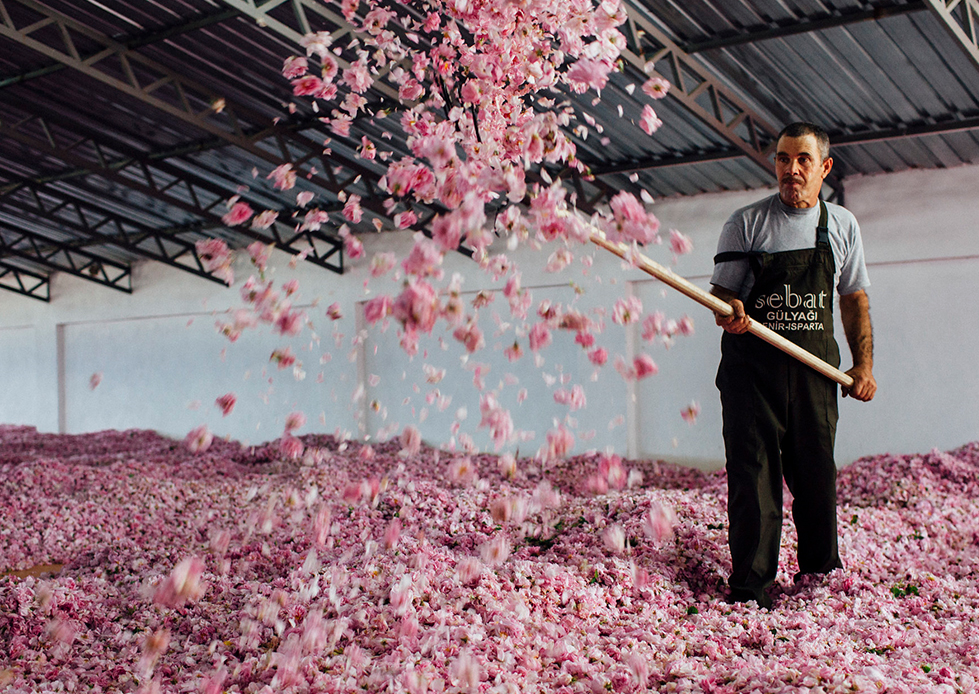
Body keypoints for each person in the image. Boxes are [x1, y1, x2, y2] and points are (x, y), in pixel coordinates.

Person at [710, 122, 876, 609]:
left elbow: (853, 299)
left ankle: (821, 579)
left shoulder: (842, 225)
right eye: (783, 159)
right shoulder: (746, 222)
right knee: (753, 482)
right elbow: (721, 295)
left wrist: (863, 365)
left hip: (814, 375)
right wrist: (729, 313)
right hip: (751, 377)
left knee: (818, 480)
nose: (791, 169)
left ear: (824, 167)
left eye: (803, 159)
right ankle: (750, 588)